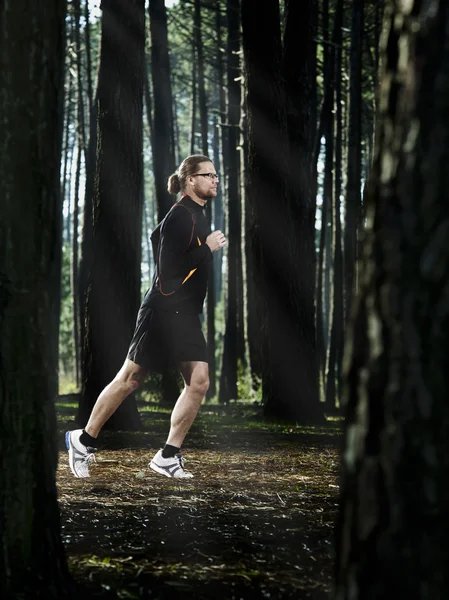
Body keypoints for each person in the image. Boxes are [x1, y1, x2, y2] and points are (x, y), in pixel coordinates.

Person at [66, 155, 226, 479]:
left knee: (199, 382)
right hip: (163, 311)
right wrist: (206, 249)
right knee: (130, 380)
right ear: (190, 180)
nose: (215, 180)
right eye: (208, 175)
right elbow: (167, 275)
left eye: (216, 175)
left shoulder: (194, 214)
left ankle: (168, 456)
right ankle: (81, 441)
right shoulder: (182, 215)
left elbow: (156, 237)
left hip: (185, 314)